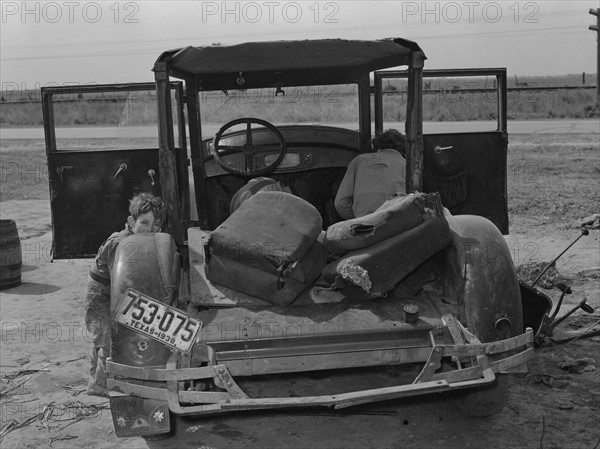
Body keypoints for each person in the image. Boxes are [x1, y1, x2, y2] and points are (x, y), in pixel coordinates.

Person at [84, 192, 166, 397]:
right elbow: (120, 282)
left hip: (113, 288)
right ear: (131, 221)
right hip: (102, 292)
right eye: (145, 223)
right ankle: (103, 387)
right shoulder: (120, 243)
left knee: (102, 337)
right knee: (107, 338)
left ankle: (96, 382)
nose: (151, 229)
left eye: (156, 224)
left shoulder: (143, 240)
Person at [334, 129, 407, 219]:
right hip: (397, 224)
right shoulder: (407, 165)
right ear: (403, 150)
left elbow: (340, 203)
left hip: (363, 225)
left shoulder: (359, 161)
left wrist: (359, 220)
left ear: (377, 145)